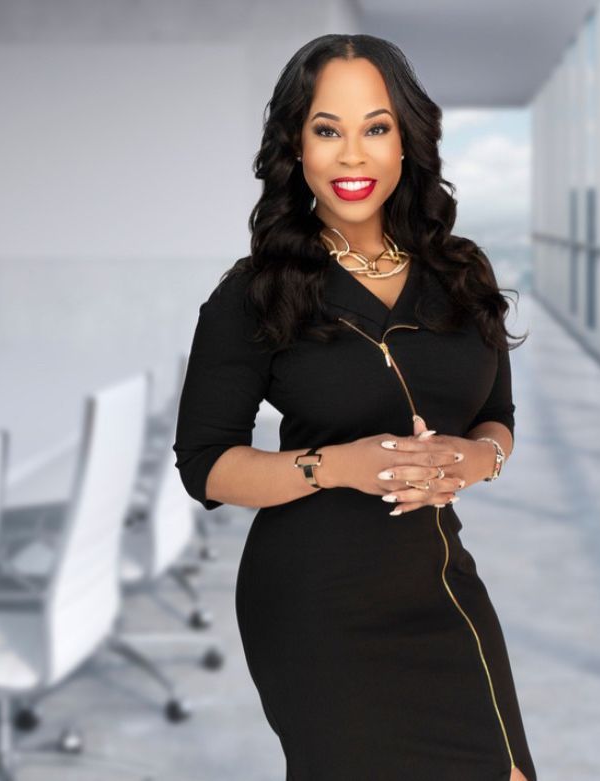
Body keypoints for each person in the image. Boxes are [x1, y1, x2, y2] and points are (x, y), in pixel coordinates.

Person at [173, 32, 536, 781]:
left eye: (374, 128)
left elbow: (495, 415)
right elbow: (206, 463)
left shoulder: (461, 273)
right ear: (296, 147)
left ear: (405, 141)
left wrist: (471, 460)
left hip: (439, 584)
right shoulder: (255, 291)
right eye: (326, 130)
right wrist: (338, 465)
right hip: (315, 602)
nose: (351, 155)